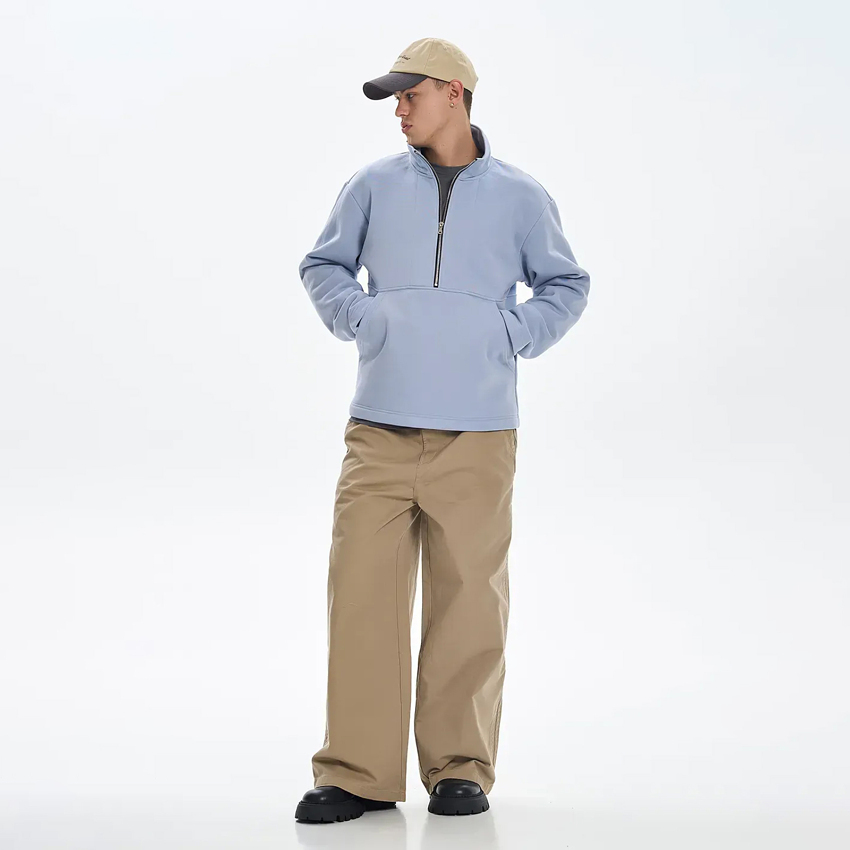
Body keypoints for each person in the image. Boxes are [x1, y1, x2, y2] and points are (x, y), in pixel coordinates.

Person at [294, 37, 591, 823]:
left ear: (454, 93)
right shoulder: (371, 185)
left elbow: (565, 284)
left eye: (410, 94)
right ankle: (357, 772)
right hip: (379, 430)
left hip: (479, 434)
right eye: (395, 98)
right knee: (362, 599)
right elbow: (324, 266)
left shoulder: (521, 196)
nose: (398, 109)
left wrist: (510, 333)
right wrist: (366, 319)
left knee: (469, 603)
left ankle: (460, 766)